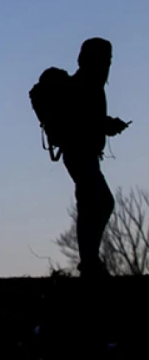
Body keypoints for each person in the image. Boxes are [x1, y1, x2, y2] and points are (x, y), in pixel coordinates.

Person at [62, 38, 130, 278]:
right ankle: (89, 261)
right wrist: (108, 125)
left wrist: (106, 125)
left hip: (82, 154)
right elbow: (84, 120)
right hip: (80, 153)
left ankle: (89, 260)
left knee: (93, 203)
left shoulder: (88, 83)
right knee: (98, 203)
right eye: (106, 59)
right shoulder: (86, 84)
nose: (108, 65)